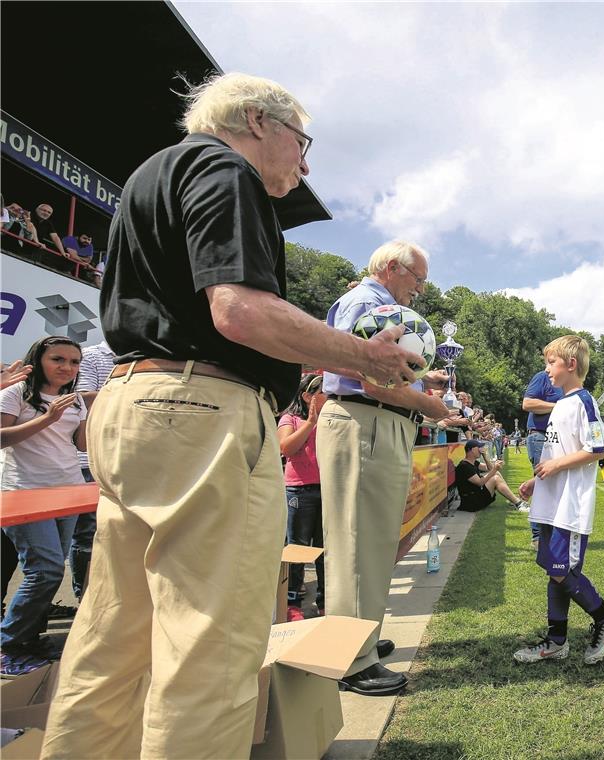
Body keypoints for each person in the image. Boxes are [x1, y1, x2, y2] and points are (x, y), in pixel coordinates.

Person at [40, 73, 424, 760]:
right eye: (301, 144)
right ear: (257, 120)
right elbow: (241, 311)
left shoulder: (153, 174)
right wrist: (365, 357)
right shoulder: (226, 169)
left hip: (136, 403)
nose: (303, 166)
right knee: (210, 647)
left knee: (111, 637)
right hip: (201, 410)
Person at [319, 239, 450, 697]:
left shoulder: (375, 305)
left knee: (370, 544)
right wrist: (428, 405)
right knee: (357, 545)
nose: (420, 290)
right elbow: (367, 381)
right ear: (392, 268)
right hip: (365, 422)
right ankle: (352, 660)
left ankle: (364, 641)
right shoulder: (366, 302)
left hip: (375, 424)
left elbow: (378, 373)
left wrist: (421, 379)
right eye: (418, 280)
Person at [514, 336, 604, 666]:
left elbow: (599, 449)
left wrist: (557, 466)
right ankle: (556, 641)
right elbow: (556, 451)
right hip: (550, 501)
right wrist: (537, 479)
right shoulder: (560, 404)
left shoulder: (584, 401)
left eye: (551, 363)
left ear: (570, 365)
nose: (547, 370)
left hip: (569, 506)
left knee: (562, 569)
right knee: (552, 568)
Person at [1, 336, 87, 677]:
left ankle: (29, 638)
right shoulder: (15, 393)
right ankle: (9, 643)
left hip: (69, 491)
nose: (67, 367)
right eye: (58, 359)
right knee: (46, 569)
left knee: (51, 568)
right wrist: (47, 418)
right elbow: (2, 438)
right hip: (23, 493)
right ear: (38, 360)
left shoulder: (75, 398)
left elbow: (80, 443)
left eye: (74, 362)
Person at [68, 340, 116, 602]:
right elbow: (83, 399)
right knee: (86, 534)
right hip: (87, 459)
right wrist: (128, 390)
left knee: (111, 533)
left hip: (117, 458)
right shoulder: (92, 356)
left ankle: (100, 595)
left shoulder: (138, 359)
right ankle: (83, 597)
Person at [278, 373, 327, 621]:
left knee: (324, 549)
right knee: (297, 548)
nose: (328, 396)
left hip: (326, 490)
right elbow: (286, 448)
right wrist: (309, 423)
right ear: (308, 396)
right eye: (323, 392)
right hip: (299, 491)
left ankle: (324, 601)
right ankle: (292, 602)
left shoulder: (332, 420)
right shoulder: (291, 419)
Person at [522, 366, 564, 545]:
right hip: (540, 435)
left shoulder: (565, 382)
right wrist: (559, 406)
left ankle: (547, 535)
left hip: (556, 437)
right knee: (543, 486)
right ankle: (538, 536)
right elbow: (527, 403)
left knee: (550, 485)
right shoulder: (543, 377)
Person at [455, 439, 527, 512]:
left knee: (496, 474)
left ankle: (514, 500)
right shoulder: (464, 466)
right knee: (495, 478)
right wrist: (494, 469)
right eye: (479, 448)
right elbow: (480, 482)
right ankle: (518, 503)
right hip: (471, 503)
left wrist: (485, 457)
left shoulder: (473, 462)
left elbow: (489, 468)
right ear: (472, 450)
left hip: (476, 496)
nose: (481, 450)